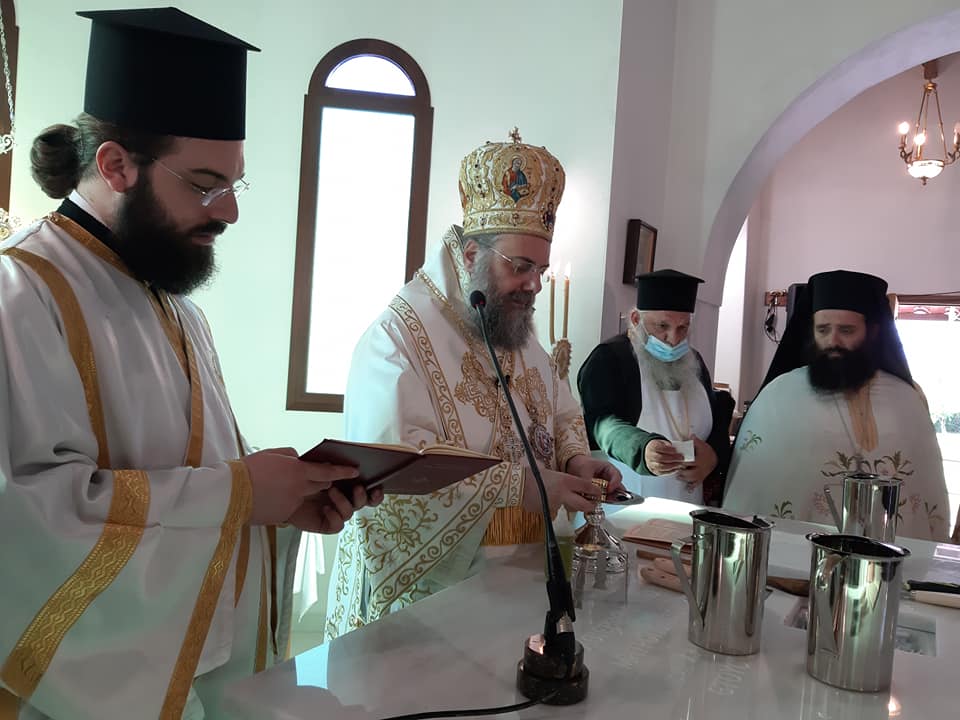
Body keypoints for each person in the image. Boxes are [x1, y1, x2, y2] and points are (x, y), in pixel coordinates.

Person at [0, 8, 379, 719]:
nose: (229, 211)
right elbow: (22, 523)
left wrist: (280, 508)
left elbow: (199, 478)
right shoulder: (20, 295)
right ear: (115, 165)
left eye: (235, 183)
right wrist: (238, 495)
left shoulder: (177, 309)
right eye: (205, 184)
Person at [325, 132, 622, 639]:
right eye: (520, 267)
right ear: (469, 256)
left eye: (541, 270)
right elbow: (393, 481)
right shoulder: (397, 340)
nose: (534, 285)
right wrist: (519, 486)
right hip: (427, 602)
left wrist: (576, 459)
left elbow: (560, 407)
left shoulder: (508, 324)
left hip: (518, 588)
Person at [723, 269, 950, 540]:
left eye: (846, 330)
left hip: (885, 550)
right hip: (798, 551)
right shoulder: (777, 396)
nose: (833, 341)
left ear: (872, 332)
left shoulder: (907, 399)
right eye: (823, 330)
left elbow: (926, 488)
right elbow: (752, 485)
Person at [577, 270, 732, 506]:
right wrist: (642, 449)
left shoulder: (695, 362)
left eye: (683, 328)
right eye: (662, 326)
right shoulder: (610, 358)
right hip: (625, 506)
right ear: (636, 319)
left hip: (687, 506)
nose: (673, 338)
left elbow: (715, 422)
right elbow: (601, 423)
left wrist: (713, 456)